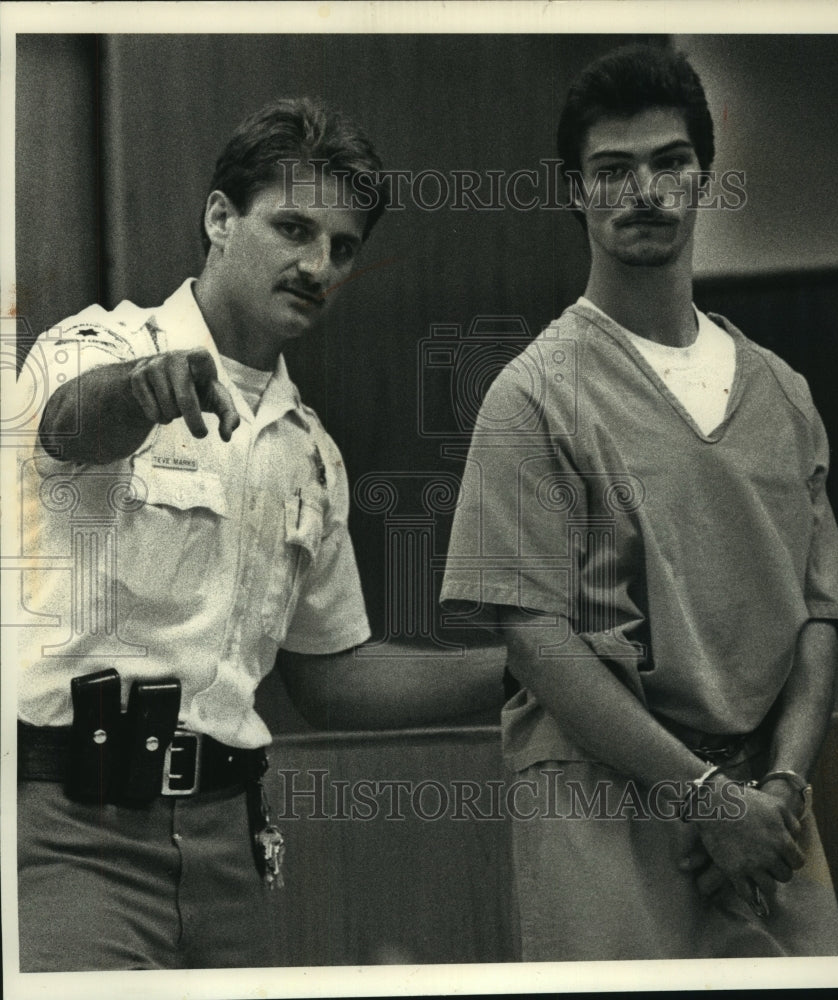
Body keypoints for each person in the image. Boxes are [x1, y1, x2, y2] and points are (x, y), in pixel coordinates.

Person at [15, 97, 500, 972]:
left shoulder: (311, 450)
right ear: (219, 218)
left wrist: (520, 669)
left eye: (342, 248)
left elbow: (334, 679)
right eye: (293, 228)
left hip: (227, 850)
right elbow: (70, 422)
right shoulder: (99, 343)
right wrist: (140, 389)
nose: (317, 264)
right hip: (72, 834)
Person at [440, 44, 838, 960]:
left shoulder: (782, 391)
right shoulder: (534, 395)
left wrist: (780, 786)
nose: (644, 189)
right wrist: (705, 797)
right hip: (609, 802)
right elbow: (536, 641)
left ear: (703, 176)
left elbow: (820, 615)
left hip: (768, 817)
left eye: (670, 162)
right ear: (574, 192)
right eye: (612, 169)